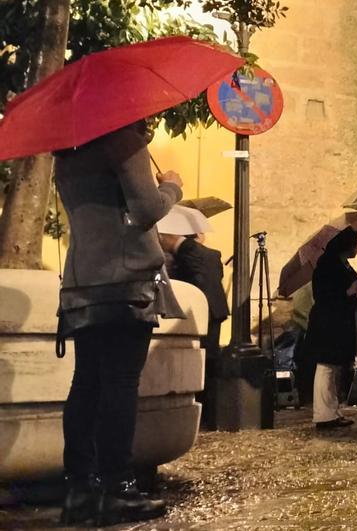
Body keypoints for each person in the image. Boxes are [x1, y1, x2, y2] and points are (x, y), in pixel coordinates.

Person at [54, 120, 182, 525]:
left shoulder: (68, 150)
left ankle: (80, 489)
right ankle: (118, 487)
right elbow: (146, 210)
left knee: (87, 382)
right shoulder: (124, 142)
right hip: (124, 281)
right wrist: (173, 187)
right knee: (120, 383)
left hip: (81, 281)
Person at [158, 231, 229, 429]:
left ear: (170, 236)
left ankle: (201, 411)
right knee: (208, 359)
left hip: (199, 314)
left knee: (198, 362)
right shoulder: (209, 253)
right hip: (215, 311)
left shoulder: (187, 254)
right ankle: (208, 412)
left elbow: (193, 285)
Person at [307, 227, 357, 430]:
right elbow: (325, 295)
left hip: (339, 321)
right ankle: (323, 414)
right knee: (326, 367)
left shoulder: (342, 263)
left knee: (334, 367)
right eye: (355, 244)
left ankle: (332, 411)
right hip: (328, 322)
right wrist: (349, 291)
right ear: (346, 245)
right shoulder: (327, 265)